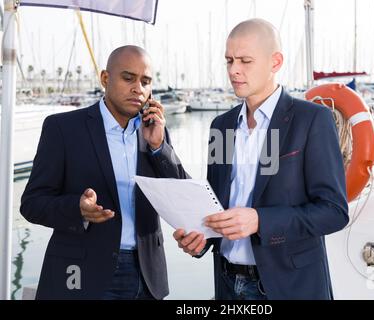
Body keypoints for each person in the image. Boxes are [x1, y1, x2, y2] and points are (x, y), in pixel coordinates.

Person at [174, 19, 349, 300]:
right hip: (227, 285)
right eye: (229, 61)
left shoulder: (311, 120)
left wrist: (260, 220)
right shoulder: (222, 126)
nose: (234, 71)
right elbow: (216, 201)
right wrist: (201, 237)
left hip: (288, 287)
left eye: (245, 61)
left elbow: (334, 211)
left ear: (275, 62)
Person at [20, 45, 188, 300]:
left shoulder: (155, 133)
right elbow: (32, 204)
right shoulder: (63, 129)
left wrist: (159, 147)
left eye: (146, 82)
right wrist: (77, 208)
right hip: (81, 274)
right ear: (105, 79)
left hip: (147, 278)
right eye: (128, 78)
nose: (138, 89)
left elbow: (181, 196)